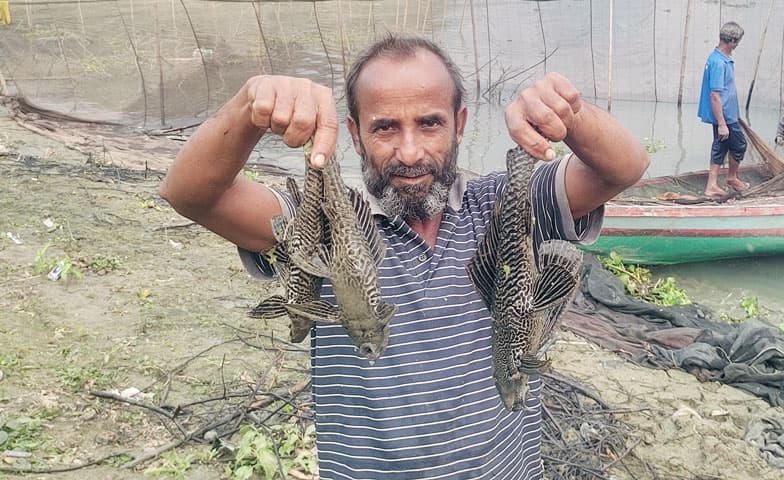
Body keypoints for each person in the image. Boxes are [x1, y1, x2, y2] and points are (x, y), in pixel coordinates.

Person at [159, 35, 650, 480]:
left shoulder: (506, 207)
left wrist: (568, 113)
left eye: (430, 123)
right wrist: (249, 108)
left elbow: (624, 166)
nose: (410, 152)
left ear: (459, 125)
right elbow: (191, 194)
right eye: (386, 127)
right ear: (354, 134)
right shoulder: (328, 223)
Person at [698, 21, 748, 197]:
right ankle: (731, 177)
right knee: (740, 145)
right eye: (737, 42)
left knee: (721, 145)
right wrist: (722, 123)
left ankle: (712, 184)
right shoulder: (719, 63)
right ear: (732, 41)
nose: (737, 46)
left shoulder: (717, 58)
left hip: (726, 113)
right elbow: (715, 95)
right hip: (724, 114)